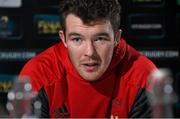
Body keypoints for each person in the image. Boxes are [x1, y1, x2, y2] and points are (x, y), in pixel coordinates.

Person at [19, 0, 157, 118]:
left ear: (116, 38)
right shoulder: (38, 74)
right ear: (64, 39)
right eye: (77, 39)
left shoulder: (144, 76)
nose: (89, 52)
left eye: (100, 39)